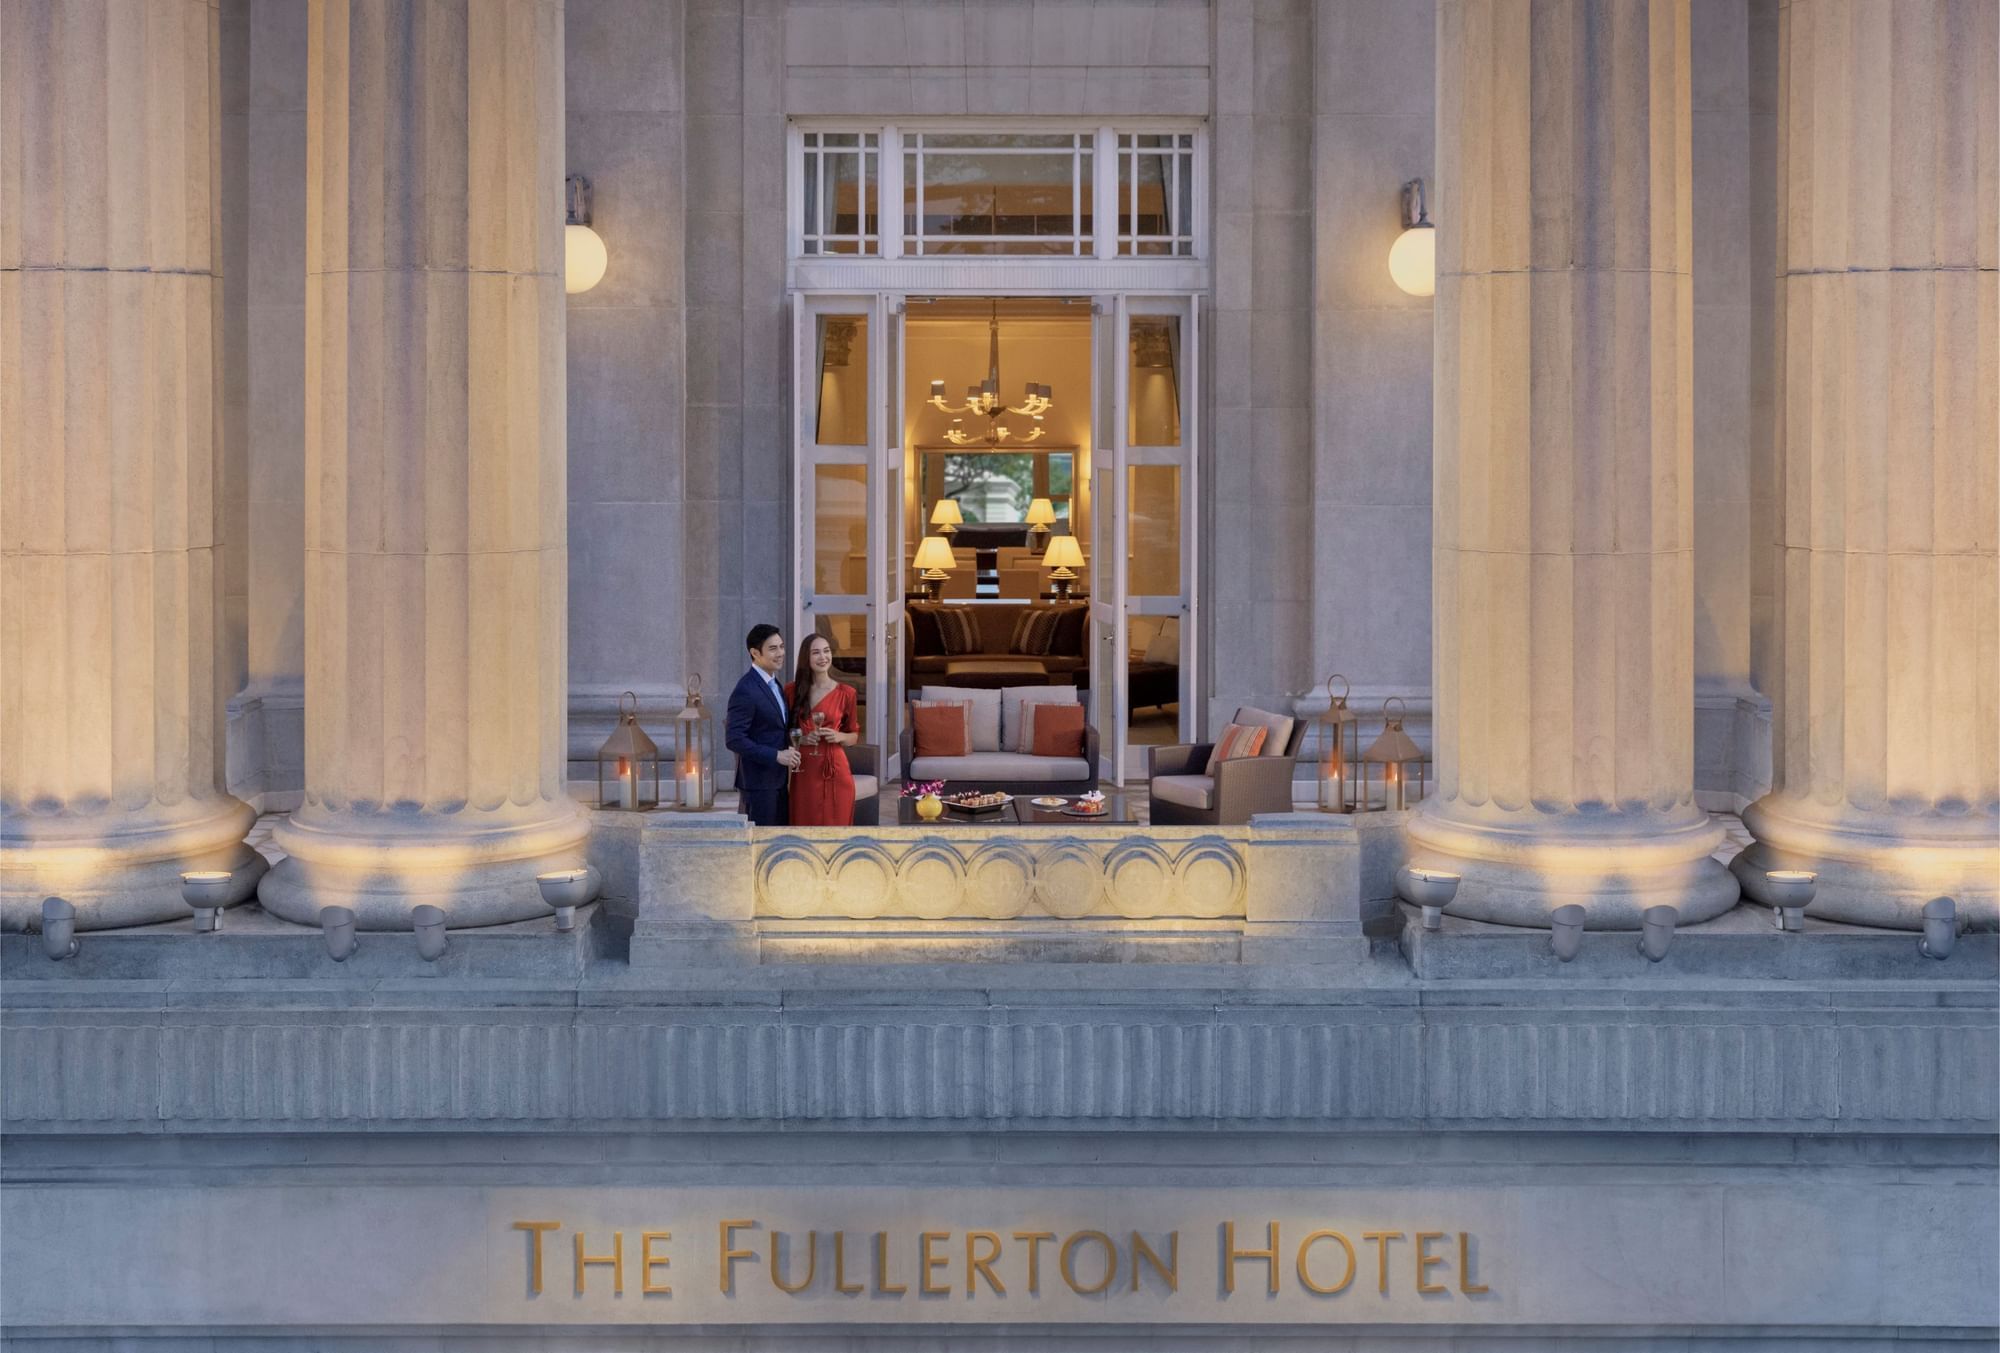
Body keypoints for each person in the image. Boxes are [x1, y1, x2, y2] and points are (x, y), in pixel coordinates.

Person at [725, 623, 801, 826]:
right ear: (755, 653)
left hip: (778, 780)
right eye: (773, 648)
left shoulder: (774, 684)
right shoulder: (746, 689)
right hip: (758, 784)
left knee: (778, 838)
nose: (780, 653)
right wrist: (776, 755)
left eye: (781, 647)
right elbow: (734, 739)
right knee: (762, 840)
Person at [785, 633, 860, 827]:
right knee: (804, 824)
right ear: (806, 658)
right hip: (804, 770)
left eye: (826, 651)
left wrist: (838, 736)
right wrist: (802, 739)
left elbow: (853, 736)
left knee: (837, 828)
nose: (823, 657)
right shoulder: (791, 691)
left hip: (835, 768)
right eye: (816, 652)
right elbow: (783, 732)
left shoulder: (847, 693)